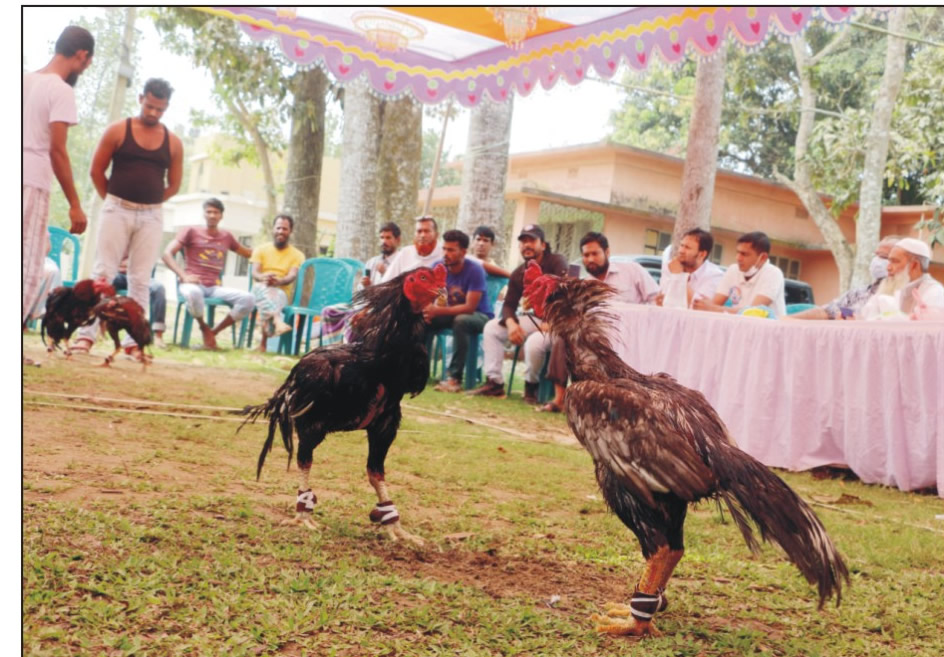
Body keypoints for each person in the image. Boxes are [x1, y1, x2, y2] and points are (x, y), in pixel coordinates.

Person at [72, 77, 184, 360]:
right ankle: (86, 336)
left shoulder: (173, 142)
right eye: (149, 106)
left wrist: (148, 203)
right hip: (116, 208)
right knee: (103, 273)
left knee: (140, 279)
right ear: (140, 99)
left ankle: (135, 343)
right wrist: (114, 200)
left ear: (166, 107)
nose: (153, 113)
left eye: (160, 109)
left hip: (151, 215)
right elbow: (97, 171)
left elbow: (174, 185)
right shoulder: (117, 131)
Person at [539, 231, 658, 412]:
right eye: (586, 255)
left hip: (635, 332)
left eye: (595, 253)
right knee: (563, 339)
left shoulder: (632, 270)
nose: (590, 259)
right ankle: (560, 399)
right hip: (598, 336)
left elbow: (655, 298)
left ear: (607, 252)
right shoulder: (584, 284)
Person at [23, 25, 94, 328]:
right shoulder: (61, 90)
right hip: (31, 182)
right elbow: (58, 151)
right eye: (88, 63)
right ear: (81, 55)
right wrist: (75, 204)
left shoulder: (24, 80)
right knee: (26, 265)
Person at [470, 224, 569, 399]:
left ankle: (531, 386)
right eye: (523, 241)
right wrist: (511, 324)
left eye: (532, 241)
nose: (527, 245)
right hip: (533, 320)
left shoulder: (556, 262)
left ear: (543, 245)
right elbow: (508, 305)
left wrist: (553, 320)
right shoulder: (519, 272)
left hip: (557, 322)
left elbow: (564, 294)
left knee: (534, 343)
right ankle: (494, 383)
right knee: (492, 328)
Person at [162, 198, 254, 349]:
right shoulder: (190, 231)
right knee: (194, 294)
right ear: (204, 214)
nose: (212, 215)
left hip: (214, 288)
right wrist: (183, 276)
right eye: (209, 212)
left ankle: (213, 332)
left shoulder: (226, 236)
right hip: (191, 285)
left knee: (248, 299)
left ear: (221, 216)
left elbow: (248, 253)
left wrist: (270, 254)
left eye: (216, 212)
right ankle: (204, 327)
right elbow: (167, 254)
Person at [425, 230, 494, 393]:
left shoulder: (475, 270)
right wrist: (427, 310)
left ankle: (454, 379)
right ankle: (417, 371)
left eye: (451, 250)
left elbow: (470, 307)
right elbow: (427, 294)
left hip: (480, 316)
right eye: (444, 249)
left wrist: (437, 310)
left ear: (463, 252)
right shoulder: (437, 267)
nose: (445, 254)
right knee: (422, 320)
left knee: (461, 320)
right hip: (451, 313)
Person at [789, 236, 900, 320]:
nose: (877, 261)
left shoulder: (907, 296)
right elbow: (827, 311)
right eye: (876, 255)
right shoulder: (859, 293)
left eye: (884, 257)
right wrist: (786, 319)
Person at [694, 231, 786, 317]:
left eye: (744, 254)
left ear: (763, 257)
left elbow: (752, 312)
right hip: (738, 327)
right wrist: (705, 305)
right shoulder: (733, 270)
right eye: (737, 252)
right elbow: (715, 304)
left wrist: (714, 309)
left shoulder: (774, 274)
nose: (738, 258)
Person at [249, 214, 306, 351]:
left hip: (281, 292)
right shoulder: (261, 249)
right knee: (264, 289)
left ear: (290, 231)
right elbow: (255, 273)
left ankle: (263, 344)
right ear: (273, 229)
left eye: (285, 229)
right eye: (278, 228)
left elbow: (292, 276)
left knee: (271, 295)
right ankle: (277, 319)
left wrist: (279, 281)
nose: (281, 231)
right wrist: (264, 277)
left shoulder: (297, 255)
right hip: (259, 288)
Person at [859, 237, 944, 319]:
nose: (888, 267)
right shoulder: (889, 287)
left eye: (895, 261)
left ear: (914, 265)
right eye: (889, 261)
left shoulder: (934, 292)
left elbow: (928, 330)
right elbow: (866, 318)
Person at [656, 228, 724, 308]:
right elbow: (664, 300)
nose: (681, 251)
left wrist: (679, 276)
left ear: (702, 254)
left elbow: (699, 307)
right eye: (681, 245)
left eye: (687, 248)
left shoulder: (715, 275)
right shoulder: (671, 266)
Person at [111, 255, 168, 348]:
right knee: (105, 282)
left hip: (141, 276)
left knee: (159, 288)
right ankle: (97, 328)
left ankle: (158, 335)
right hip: (119, 275)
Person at [381, 216, 443, 281]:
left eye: (427, 231)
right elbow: (387, 281)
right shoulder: (405, 253)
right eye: (419, 231)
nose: (422, 235)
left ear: (436, 235)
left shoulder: (443, 253)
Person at [361, 222, 401, 287]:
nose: (384, 241)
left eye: (388, 238)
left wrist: (385, 274)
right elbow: (360, 291)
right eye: (382, 237)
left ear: (398, 240)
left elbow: (402, 290)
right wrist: (365, 285)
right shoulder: (371, 262)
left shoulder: (402, 263)